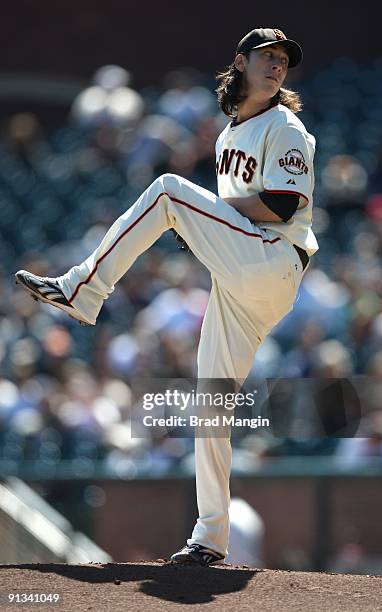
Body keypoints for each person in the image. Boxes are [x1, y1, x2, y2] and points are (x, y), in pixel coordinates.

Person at [15, 27, 318, 566]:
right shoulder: (229, 136)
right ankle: (211, 537)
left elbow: (281, 205)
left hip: (274, 259)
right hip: (241, 280)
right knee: (211, 404)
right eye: (266, 56)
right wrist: (206, 226)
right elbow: (237, 212)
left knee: (167, 190)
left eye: (283, 61)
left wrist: (201, 218)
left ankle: (83, 290)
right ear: (240, 62)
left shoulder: (284, 125)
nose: (276, 66)